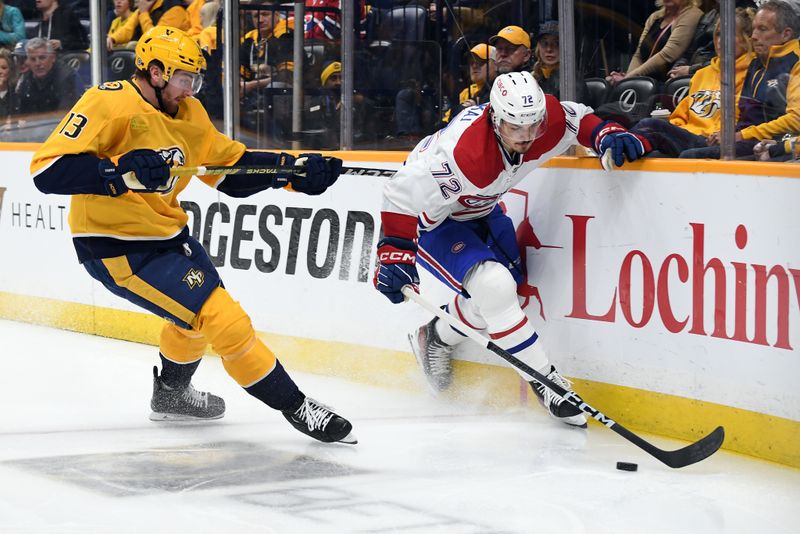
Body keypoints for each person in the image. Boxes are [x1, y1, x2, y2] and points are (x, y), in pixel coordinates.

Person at [30, 26, 356, 445]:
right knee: (224, 319)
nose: (192, 88)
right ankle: (297, 407)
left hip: (169, 236)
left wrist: (292, 172)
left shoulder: (190, 115)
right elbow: (46, 170)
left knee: (191, 322)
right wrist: (117, 171)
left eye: (195, 80)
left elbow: (230, 170)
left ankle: (171, 395)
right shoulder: (108, 102)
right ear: (157, 71)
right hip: (115, 246)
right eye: (186, 78)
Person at [373, 71, 649, 427]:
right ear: (495, 118)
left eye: (532, 126)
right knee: (495, 287)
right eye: (516, 128)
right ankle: (547, 383)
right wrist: (395, 251)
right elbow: (400, 194)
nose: (526, 138)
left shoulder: (541, 122)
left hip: (481, 209)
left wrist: (604, 133)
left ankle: (434, 337)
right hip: (434, 222)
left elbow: (575, 117)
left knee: (503, 297)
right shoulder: (462, 155)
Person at [680, 0, 800, 159]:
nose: (754, 37)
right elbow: (744, 114)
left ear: (786, 34)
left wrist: (741, 135)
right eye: (753, 29)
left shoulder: (796, 62)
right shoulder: (757, 63)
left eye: (762, 29)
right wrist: (728, 133)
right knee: (656, 132)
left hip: (775, 145)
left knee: (690, 156)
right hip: (748, 139)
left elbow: (796, 119)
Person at [631, 8, 755, 157]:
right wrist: (675, 130)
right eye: (718, 34)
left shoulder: (753, 73)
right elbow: (680, 116)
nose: (721, 41)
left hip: (713, 141)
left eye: (730, 34)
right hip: (688, 136)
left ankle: (613, 147)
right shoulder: (702, 74)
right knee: (649, 153)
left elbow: (746, 120)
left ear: (747, 38)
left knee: (650, 126)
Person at [606, 0, 703, 84]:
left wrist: (628, 78)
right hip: (643, 80)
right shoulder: (655, 16)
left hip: (666, 82)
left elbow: (667, 55)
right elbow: (639, 54)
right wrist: (628, 81)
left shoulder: (692, 14)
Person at [16, 37, 80, 114]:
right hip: (35, 123)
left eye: (42, 58)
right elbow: (20, 113)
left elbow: (65, 113)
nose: (38, 63)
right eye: (33, 59)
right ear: (28, 61)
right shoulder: (25, 79)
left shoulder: (66, 77)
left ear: (53, 58)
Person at [443, 43, 496, 123]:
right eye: (471, 62)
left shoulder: (499, 90)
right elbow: (446, 122)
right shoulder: (466, 93)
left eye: (481, 61)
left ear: (496, 64)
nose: (474, 66)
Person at [109, 0, 192, 48]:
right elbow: (127, 29)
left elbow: (155, 39)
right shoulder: (145, 6)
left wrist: (144, 13)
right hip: (154, 54)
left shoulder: (175, 9)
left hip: (173, 55)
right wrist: (112, 39)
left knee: (133, 46)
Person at [532, 20, 560, 97]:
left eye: (556, 43)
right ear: (538, 48)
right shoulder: (531, 77)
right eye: (545, 43)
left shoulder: (572, 80)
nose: (549, 49)